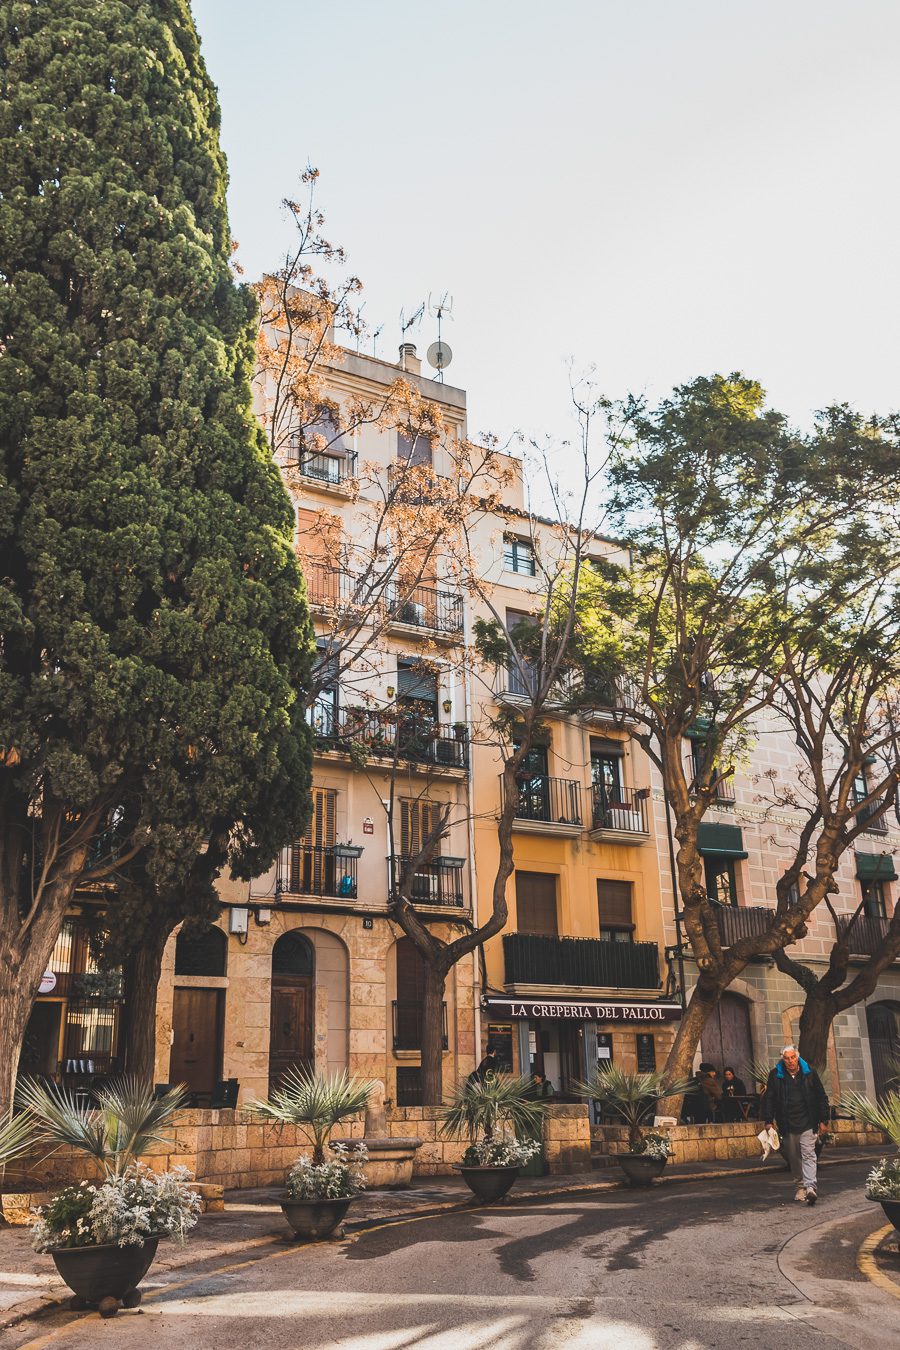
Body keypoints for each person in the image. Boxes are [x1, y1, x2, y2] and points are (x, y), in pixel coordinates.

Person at [760, 1044, 829, 1205]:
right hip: (787, 1124)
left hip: (808, 1122)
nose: (790, 1061)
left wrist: (823, 1120)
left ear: (797, 1057)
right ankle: (800, 1187)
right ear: (782, 1059)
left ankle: (810, 1187)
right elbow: (769, 1099)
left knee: (808, 1154)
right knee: (794, 1157)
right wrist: (768, 1121)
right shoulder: (776, 1075)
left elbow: (821, 1096)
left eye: (793, 1057)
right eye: (787, 1058)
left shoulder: (809, 1073)